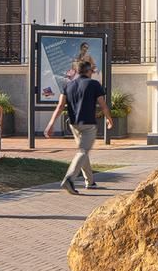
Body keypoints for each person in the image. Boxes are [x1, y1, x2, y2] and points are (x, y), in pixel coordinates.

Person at [47, 58, 111, 194]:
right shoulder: (94, 84)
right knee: (83, 151)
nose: (93, 73)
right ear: (88, 71)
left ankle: (90, 181)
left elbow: (60, 106)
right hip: (89, 125)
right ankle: (69, 179)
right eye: (92, 71)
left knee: (83, 151)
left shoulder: (68, 85)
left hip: (74, 125)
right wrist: (109, 119)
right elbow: (103, 105)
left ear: (77, 71)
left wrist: (51, 124)